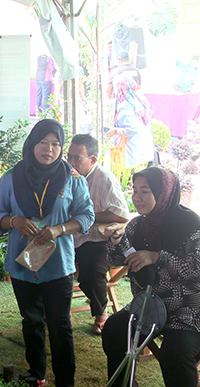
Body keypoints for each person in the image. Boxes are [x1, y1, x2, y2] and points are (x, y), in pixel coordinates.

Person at [101, 167, 200, 387]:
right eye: (135, 190)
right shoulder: (137, 225)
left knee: (176, 351)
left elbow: (199, 267)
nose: (138, 197)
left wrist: (157, 256)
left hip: (191, 308)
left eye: (146, 191)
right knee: (114, 328)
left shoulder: (191, 225)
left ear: (164, 193)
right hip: (151, 306)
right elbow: (116, 259)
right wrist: (117, 240)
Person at [0, 119, 95, 387]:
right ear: (32, 143)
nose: (49, 149)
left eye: (56, 144)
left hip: (58, 264)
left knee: (60, 325)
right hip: (23, 263)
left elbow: (87, 216)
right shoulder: (12, 178)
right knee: (31, 320)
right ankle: (36, 373)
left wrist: (60, 229)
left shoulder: (73, 179)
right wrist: (15, 221)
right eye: (43, 142)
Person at [66, 134, 130, 334]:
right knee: (53, 264)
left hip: (97, 238)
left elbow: (121, 214)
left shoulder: (104, 178)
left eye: (78, 158)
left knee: (92, 272)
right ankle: (60, 311)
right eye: (69, 157)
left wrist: (87, 217)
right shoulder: (66, 175)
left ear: (93, 160)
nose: (71, 162)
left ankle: (101, 312)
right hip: (69, 235)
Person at [110, 72, 154, 168]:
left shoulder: (125, 106)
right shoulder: (141, 100)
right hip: (146, 153)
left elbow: (133, 129)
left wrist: (116, 131)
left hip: (134, 157)